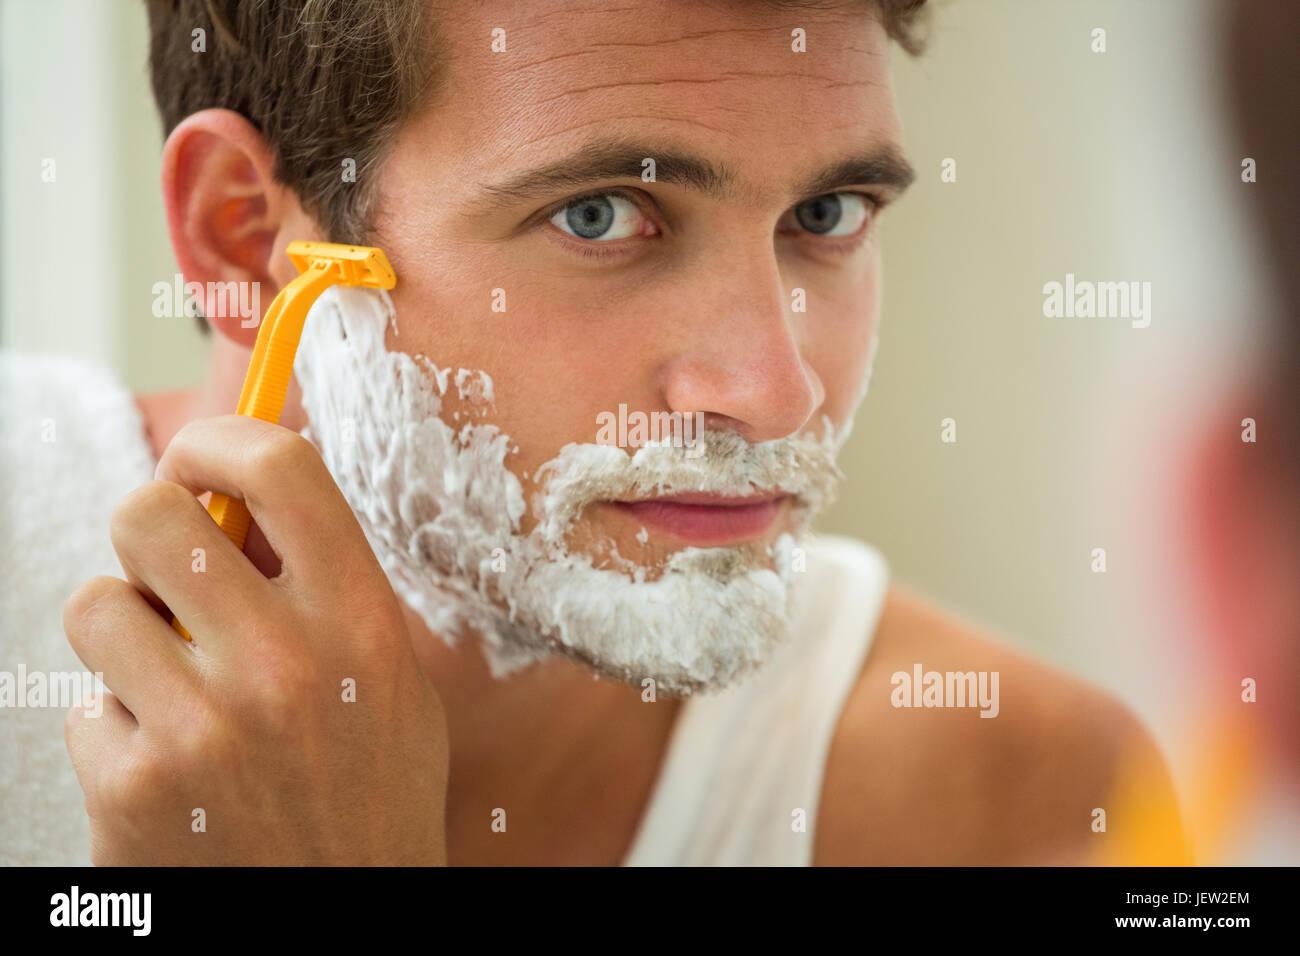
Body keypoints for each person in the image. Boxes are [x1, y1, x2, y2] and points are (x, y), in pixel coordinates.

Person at [0, 0, 1184, 866]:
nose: (775, 389)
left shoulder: (1034, 804)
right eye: (601, 214)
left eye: (825, 215)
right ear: (243, 237)